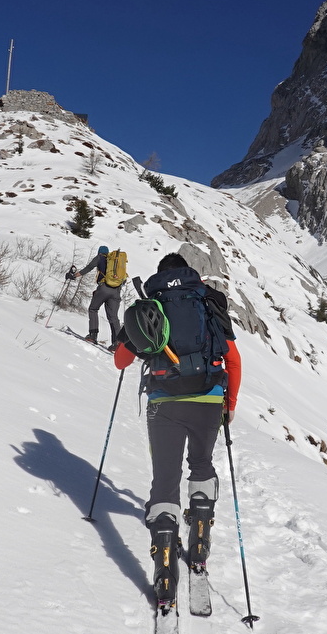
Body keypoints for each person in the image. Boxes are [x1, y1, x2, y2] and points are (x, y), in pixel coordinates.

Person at [112, 252, 242, 607]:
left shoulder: (150, 304)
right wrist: (228, 406)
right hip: (209, 396)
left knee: (165, 482)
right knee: (201, 465)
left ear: (160, 275)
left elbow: (121, 360)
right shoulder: (206, 300)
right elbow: (232, 358)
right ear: (187, 273)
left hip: (164, 402)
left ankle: (165, 569)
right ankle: (199, 543)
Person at [67, 245, 123, 346]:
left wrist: (74, 276)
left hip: (104, 288)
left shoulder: (99, 258)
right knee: (113, 317)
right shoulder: (115, 262)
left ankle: (93, 336)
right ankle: (117, 343)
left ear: (99, 252)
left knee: (93, 309)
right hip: (116, 291)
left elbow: (88, 268)